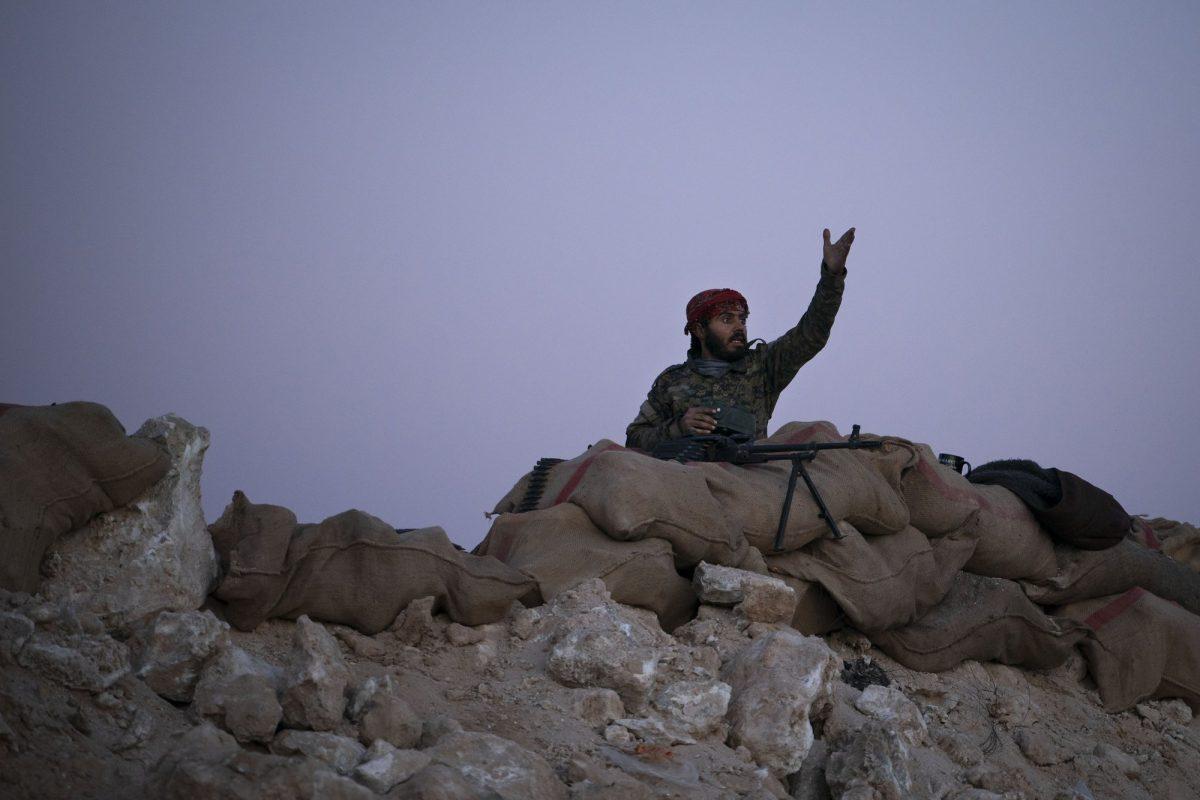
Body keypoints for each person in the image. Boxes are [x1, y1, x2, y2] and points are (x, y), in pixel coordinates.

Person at [625, 227, 855, 450]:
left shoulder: (762, 367)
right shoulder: (672, 381)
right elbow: (635, 439)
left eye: (742, 319)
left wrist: (832, 277)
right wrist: (679, 427)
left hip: (747, 482)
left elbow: (811, 334)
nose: (739, 327)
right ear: (699, 330)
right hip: (688, 483)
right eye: (727, 320)